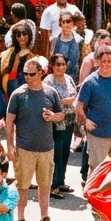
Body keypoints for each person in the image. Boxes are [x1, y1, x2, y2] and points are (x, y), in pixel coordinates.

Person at [6, 57, 64, 221]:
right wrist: (10, 146)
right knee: (22, 185)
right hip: (24, 148)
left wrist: (52, 116)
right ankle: (20, 219)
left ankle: (44, 217)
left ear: (41, 73)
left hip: (46, 147)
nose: (27, 77)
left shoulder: (51, 92)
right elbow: (9, 122)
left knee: (45, 185)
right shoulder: (18, 95)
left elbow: (61, 115)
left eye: (31, 74)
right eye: (25, 73)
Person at [76, 46, 111, 171]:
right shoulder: (90, 82)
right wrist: (85, 121)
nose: (106, 64)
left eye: (109, 61)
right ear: (97, 62)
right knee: (97, 169)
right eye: (104, 61)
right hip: (97, 134)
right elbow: (78, 108)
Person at [46, 54, 79, 196]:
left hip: (69, 120)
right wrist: (64, 101)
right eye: (57, 64)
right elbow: (48, 100)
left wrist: (72, 100)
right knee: (56, 152)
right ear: (52, 66)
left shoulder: (69, 78)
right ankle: (52, 185)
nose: (60, 67)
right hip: (56, 121)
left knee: (65, 151)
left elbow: (75, 95)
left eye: (63, 64)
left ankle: (60, 181)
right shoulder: (49, 81)